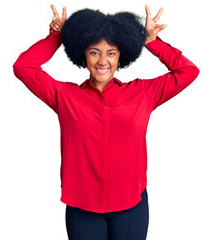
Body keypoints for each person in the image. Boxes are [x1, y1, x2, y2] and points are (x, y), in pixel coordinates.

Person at [13, 3, 200, 240]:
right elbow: (23, 67)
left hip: (131, 204)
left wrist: (151, 41)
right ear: (83, 55)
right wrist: (58, 36)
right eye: (94, 52)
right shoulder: (64, 96)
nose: (103, 61)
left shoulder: (143, 93)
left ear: (121, 56)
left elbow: (188, 72)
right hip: (82, 206)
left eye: (111, 52)